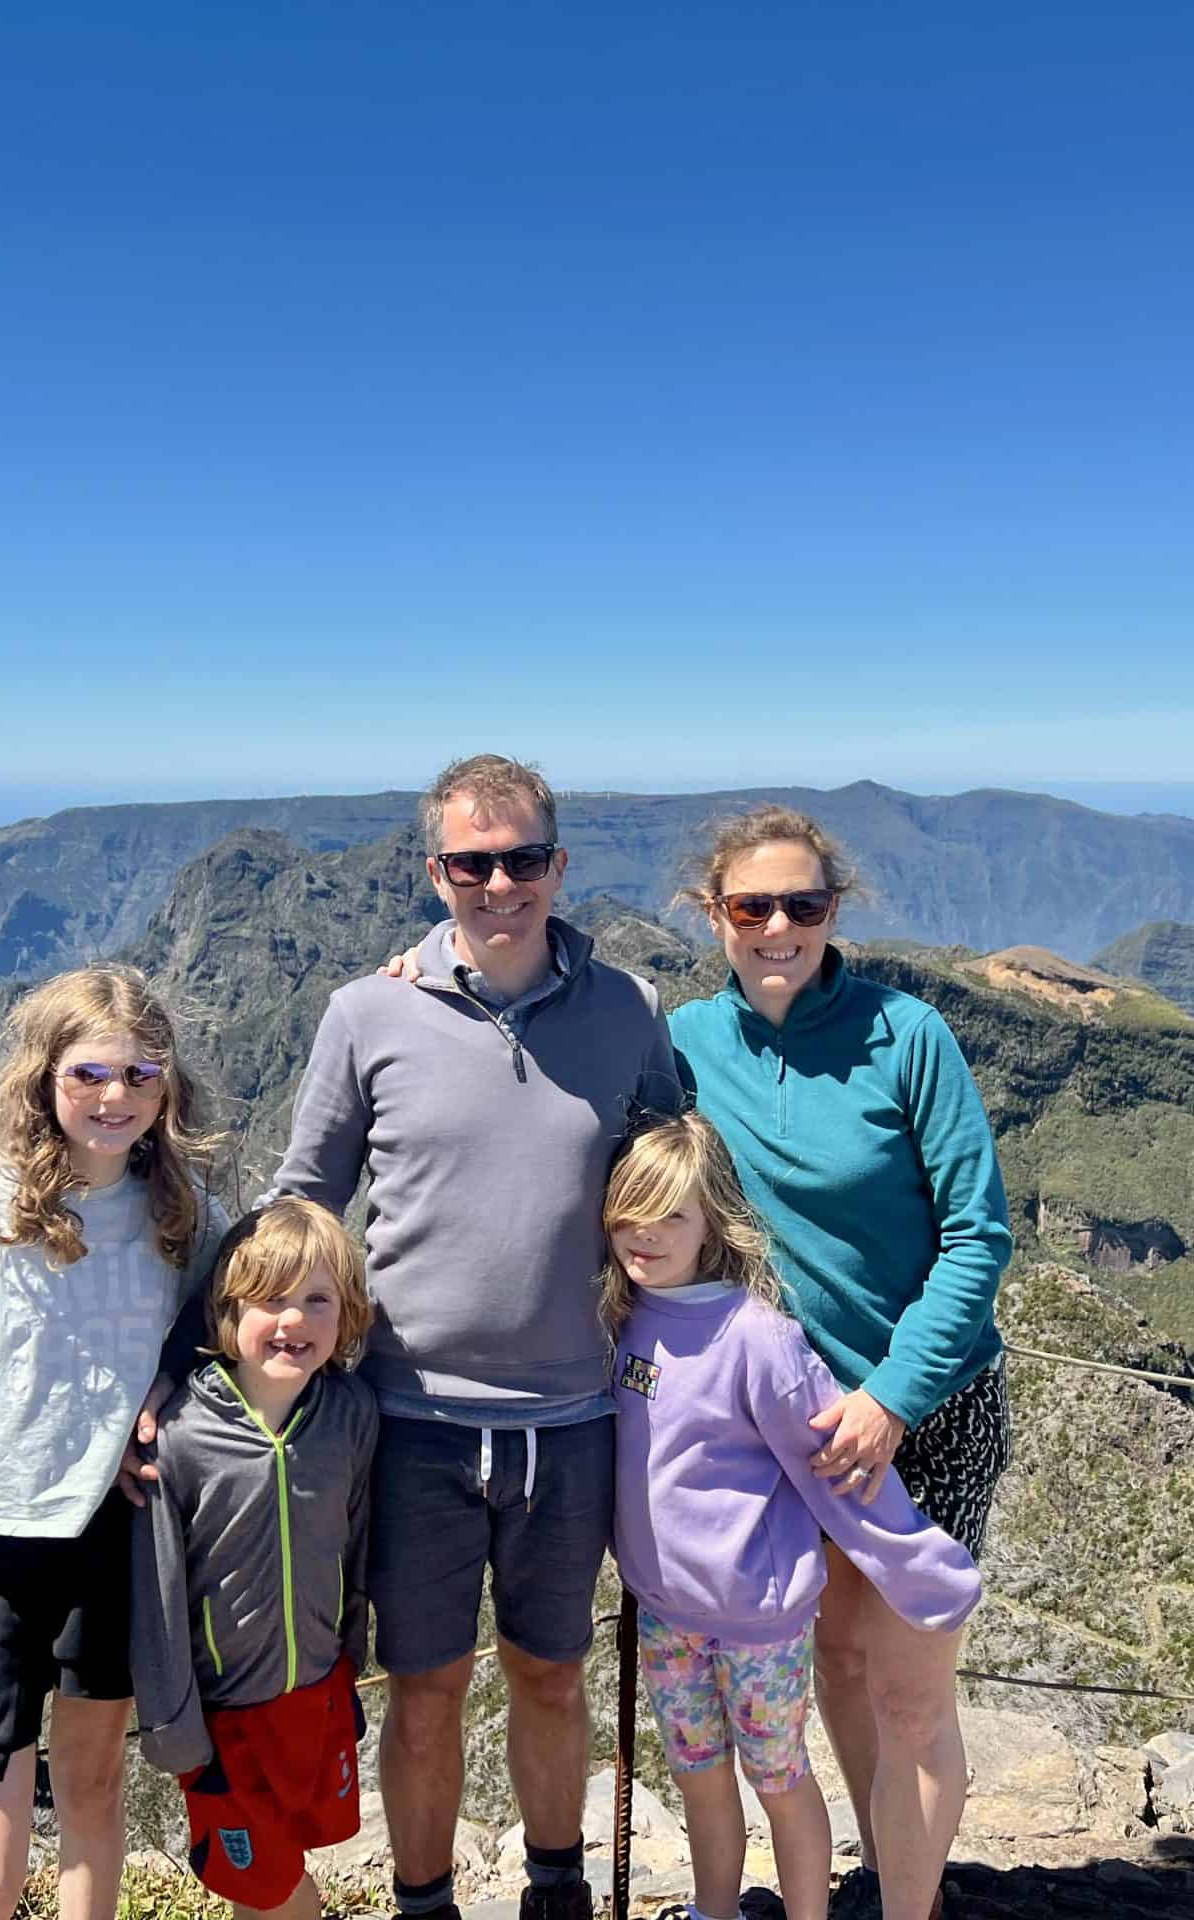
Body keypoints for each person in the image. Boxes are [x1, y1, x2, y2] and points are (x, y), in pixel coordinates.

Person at [273, 753, 677, 1920]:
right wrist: (225, 1373)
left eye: (521, 860)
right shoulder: (368, 1012)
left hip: (576, 1420)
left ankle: (556, 1896)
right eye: (471, 863)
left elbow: (671, 1182)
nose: (499, 885)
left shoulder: (629, 1012)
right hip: (412, 1424)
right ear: (436, 870)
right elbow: (307, 1201)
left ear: (559, 864)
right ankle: (425, 1902)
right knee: (427, 1687)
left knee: (551, 1676)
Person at [669, 806, 1016, 1920]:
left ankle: (905, 1911)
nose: (778, 925)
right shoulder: (680, 1045)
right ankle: (878, 1882)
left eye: (803, 905)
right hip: (780, 1425)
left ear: (834, 912)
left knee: (909, 1691)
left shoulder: (907, 1036)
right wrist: (427, 965)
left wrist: (894, 1399)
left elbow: (977, 1235)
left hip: (926, 1410)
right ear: (710, 913)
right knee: (837, 1666)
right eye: (751, 905)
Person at [0, 964, 230, 1920]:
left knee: (96, 1798)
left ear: (169, 1087)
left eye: (143, 1075)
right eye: (89, 1074)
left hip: (114, 1540)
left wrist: (169, 1391)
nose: (116, 1097)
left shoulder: (186, 1222)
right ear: (42, 1078)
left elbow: (216, 1344)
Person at [604, 1110, 980, 1920]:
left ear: (712, 1220)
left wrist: (921, 1566)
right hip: (668, 1616)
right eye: (630, 1209)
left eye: (671, 1213)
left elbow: (835, 1473)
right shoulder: (622, 1320)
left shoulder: (759, 1340)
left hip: (757, 1624)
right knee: (700, 1779)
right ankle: (716, 1909)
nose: (646, 1233)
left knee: (778, 1782)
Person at [129, 1197, 382, 1920]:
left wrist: (350, 1663)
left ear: (347, 1313)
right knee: (270, 1884)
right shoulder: (178, 1439)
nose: (294, 1320)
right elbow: (159, 1594)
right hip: (224, 1716)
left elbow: (356, 1545)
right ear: (227, 1313)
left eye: (317, 1300)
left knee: (274, 1870)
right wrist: (175, 1728)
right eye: (270, 1300)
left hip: (315, 1694)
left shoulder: (349, 1416)